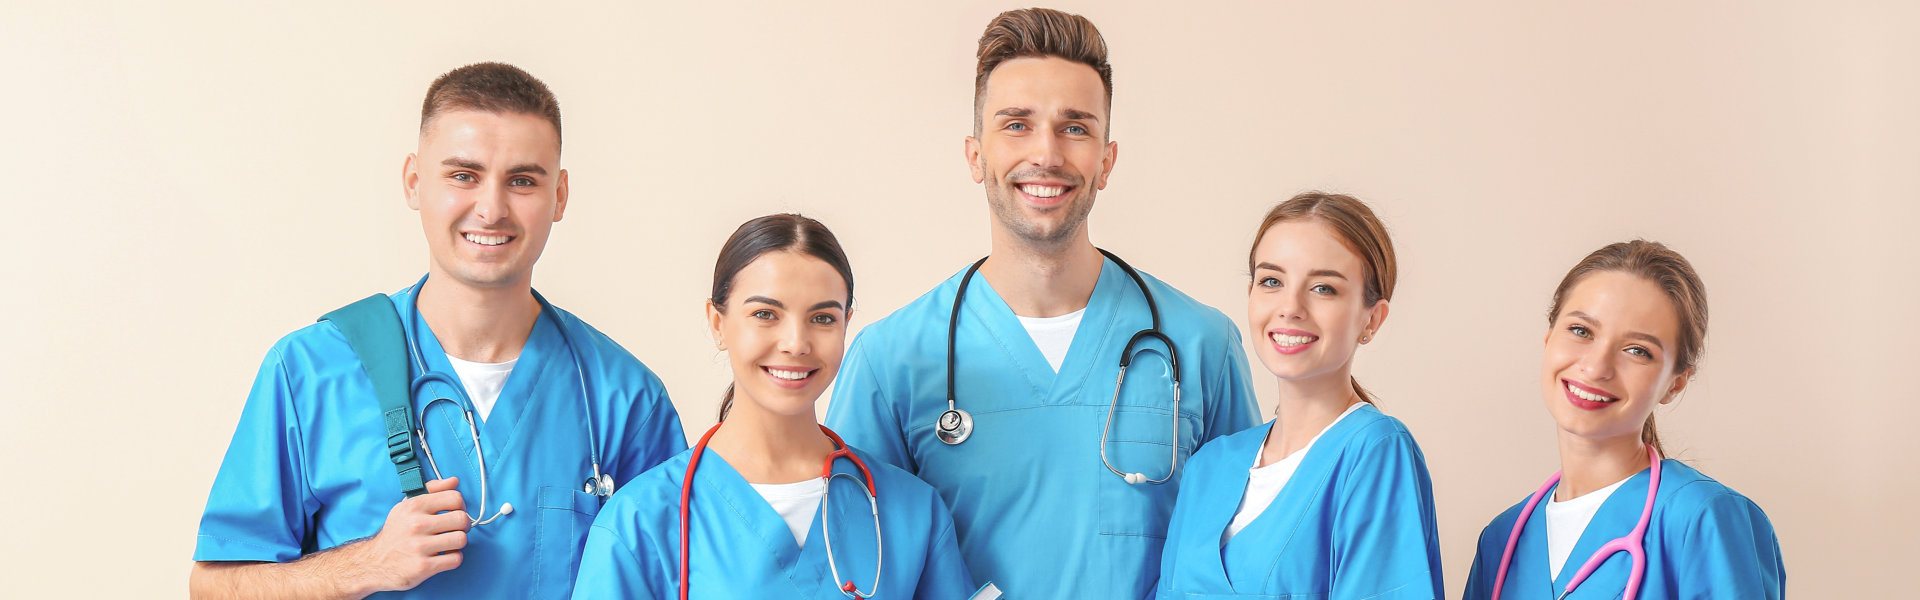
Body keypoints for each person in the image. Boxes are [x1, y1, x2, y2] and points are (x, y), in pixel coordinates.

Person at [189, 62, 686, 599]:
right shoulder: (310, 370)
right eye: (463, 176)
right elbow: (213, 588)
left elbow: (677, 582)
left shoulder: (624, 399)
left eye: (522, 181)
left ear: (559, 196)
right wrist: (367, 565)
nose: (492, 209)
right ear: (413, 183)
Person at [822, 8, 1260, 598]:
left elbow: (1244, 555)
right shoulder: (890, 360)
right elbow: (859, 573)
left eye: (1075, 127)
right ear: (976, 156)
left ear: (1106, 160)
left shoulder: (1200, 344)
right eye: (1017, 124)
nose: (1047, 154)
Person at [571, 214, 978, 599]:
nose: (796, 342)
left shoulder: (910, 512)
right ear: (718, 324)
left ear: (846, 323)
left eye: (822, 319)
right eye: (765, 314)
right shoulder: (641, 521)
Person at [1154, 193, 1444, 599]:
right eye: (1272, 281)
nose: (1290, 307)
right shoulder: (1209, 467)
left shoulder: (1374, 452)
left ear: (1372, 319)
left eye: (1324, 288)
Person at [1461, 240, 1786, 599]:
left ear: (1676, 383)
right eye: (1581, 330)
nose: (1597, 367)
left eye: (1637, 351)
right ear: (1549, 336)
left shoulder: (1703, 520)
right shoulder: (1501, 542)